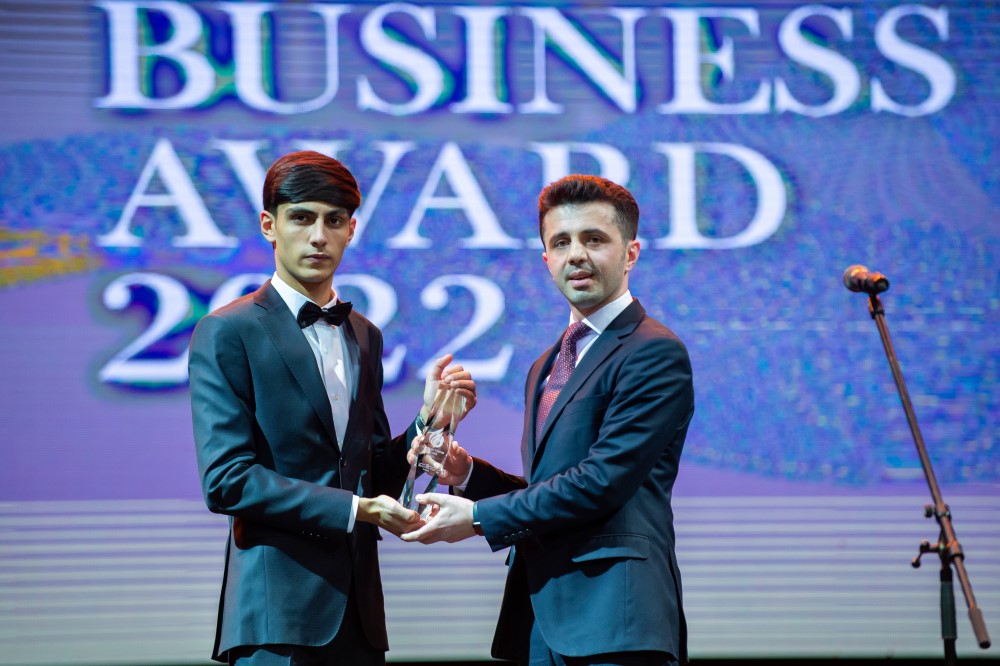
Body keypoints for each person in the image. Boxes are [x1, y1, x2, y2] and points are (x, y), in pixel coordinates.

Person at [189, 150, 476, 665]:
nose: (318, 236)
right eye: (301, 218)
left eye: (333, 220)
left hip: (360, 619)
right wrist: (356, 510)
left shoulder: (364, 334)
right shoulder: (228, 330)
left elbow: (373, 472)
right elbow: (227, 481)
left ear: (351, 230)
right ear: (269, 225)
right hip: (276, 617)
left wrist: (431, 419)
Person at [403, 175, 695, 666]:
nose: (576, 255)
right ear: (546, 260)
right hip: (541, 622)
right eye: (561, 242)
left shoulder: (653, 352)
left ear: (631, 253)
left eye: (594, 239)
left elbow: (602, 482)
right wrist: (467, 475)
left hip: (616, 619)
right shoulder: (547, 363)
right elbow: (550, 488)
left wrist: (477, 519)